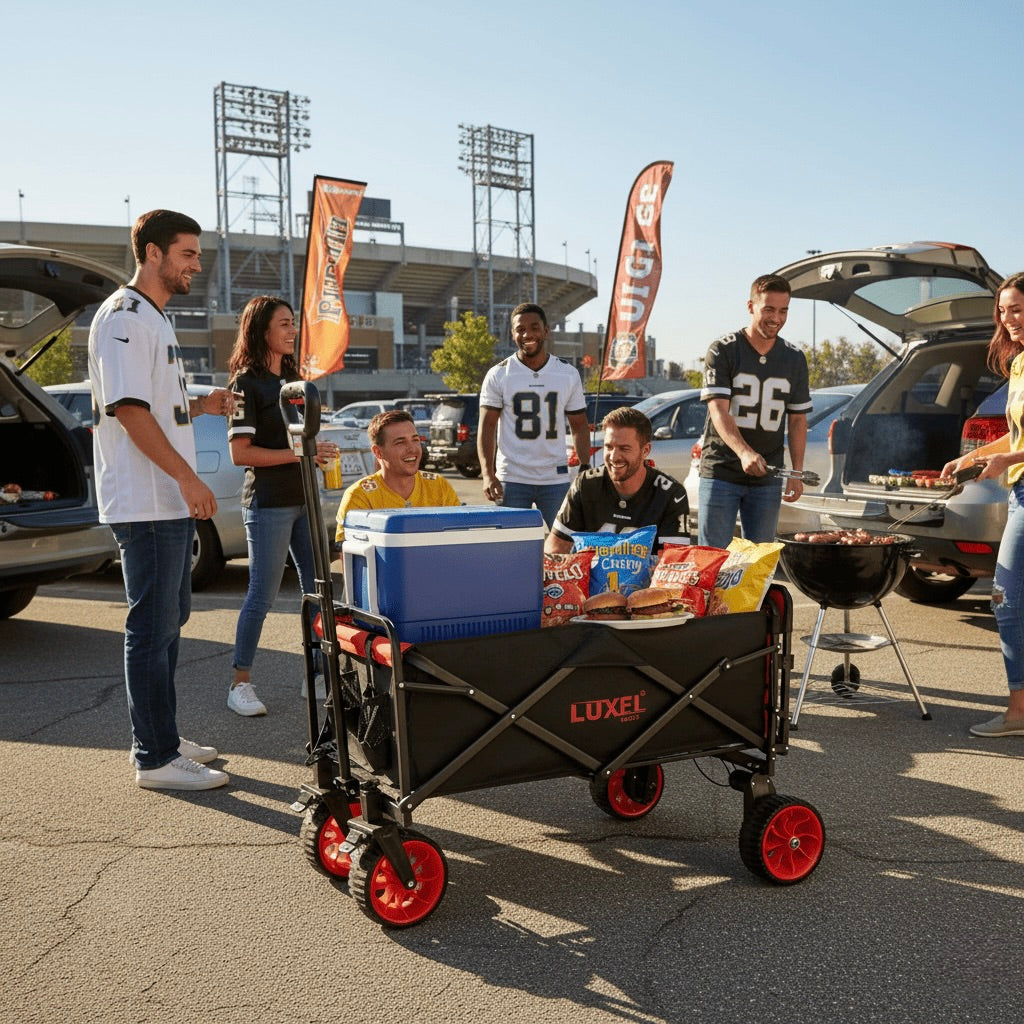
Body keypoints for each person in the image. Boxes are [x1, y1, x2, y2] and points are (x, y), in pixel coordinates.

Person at [88, 209, 235, 791]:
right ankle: (155, 757)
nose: (196, 265)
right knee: (151, 627)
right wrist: (188, 479)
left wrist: (200, 407)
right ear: (153, 253)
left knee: (172, 618)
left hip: (164, 501)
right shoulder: (124, 317)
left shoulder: (153, 317)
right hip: (145, 501)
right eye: (188, 254)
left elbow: (155, 404)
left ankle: (161, 735)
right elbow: (127, 410)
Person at [226, 295, 339, 716]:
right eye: (285, 324)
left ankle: (316, 673)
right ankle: (240, 683)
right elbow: (241, 454)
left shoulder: (296, 381)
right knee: (263, 594)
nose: (293, 331)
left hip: (305, 501)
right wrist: (300, 455)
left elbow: (299, 442)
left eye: (294, 323)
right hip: (269, 504)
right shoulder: (244, 384)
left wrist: (314, 451)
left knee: (320, 592)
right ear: (262, 331)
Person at [943, 272, 1024, 737]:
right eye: (1003, 310)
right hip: (1019, 492)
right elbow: (1016, 435)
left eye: (1016, 308)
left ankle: (1018, 712)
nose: (1007, 318)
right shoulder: (1017, 366)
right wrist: (970, 458)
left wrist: (1007, 460)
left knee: (1006, 600)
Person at [697, 274, 812, 549]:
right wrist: (744, 451)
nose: (776, 318)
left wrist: (796, 471)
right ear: (751, 306)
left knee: (757, 565)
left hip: (767, 476)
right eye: (769, 309)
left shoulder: (794, 358)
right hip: (721, 471)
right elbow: (718, 410)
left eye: (783, 310)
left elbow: (797, 420)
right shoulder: (723, 349)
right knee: (713, 560)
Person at [478, 303, 591, 528]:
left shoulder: (567, 373)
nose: (527, 334)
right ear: (513, 334)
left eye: (534, 327)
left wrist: (585, 467)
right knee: (510, 546)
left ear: (546, 331)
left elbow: (578, 425)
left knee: (568, 542)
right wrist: (488, 474)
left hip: (555, 478)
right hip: (511, 477)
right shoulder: (499, 374)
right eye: (520, 329)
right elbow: (487, 427)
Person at [545, 406, 689, 553]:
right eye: (609, 447)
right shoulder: (586, 484)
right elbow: (556, 546)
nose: (613, 457)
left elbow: (673, 561)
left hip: (648, 576)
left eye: (624, 448)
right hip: (589, 575)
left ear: (645, 450)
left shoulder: (671, 494)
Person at [335, 409, 460, 543]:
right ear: (378, 452)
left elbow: (460, 539)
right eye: (400, 442)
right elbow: (348, 558)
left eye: (415, 440)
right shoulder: (359, 495)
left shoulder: (439, 486)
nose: (412, 449)